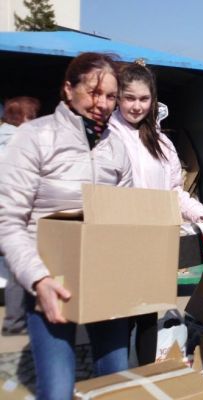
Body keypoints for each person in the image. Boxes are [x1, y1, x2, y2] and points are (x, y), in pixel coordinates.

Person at [0, 52, 133, 399]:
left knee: (117, 381)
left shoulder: (116, 146)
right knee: (57, 389)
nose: (102, 103)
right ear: (67, 89)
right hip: (48, 280)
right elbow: (8, 220)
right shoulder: (35, 137)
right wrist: (38, 279)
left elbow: (126, 215)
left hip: (105, 279)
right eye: (93, 92)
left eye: (110, 96)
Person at [108, 61, 203, 365]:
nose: (136, 106)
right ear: (118, 97)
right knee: (116, 322)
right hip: (116, 244)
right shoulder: (107, 137)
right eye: (129, 98)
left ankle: (142, 381)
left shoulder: (162, 143)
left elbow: (175, 193)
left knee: (146, 319)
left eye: (144, 99)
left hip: (152, 246)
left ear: (153, 101)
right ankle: (113, 384)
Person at [0, 96, 41, 336]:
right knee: (19, 268)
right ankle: (16, 321)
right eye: (33, 116)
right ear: (23, 118)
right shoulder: (20, 144)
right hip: (14, 213)